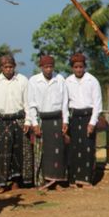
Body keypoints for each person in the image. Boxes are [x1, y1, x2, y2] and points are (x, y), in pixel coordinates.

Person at [0, 55, 33, 193]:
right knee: (3, 152)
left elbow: (28, 102)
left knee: (18, 152)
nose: (8, 69)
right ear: (1, 68)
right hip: (2, 120)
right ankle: (1, 183)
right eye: (5, 67)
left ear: (14, 66)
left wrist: (28, 120)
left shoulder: (22, 80)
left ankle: (15, 182)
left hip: (19, 119)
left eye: (11, 66)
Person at [28, 55, 69, 190]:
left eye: (51, 66)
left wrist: (65, 120)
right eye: (46, 67)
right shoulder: (34, 81)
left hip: (57, 119)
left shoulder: (60, 79)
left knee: (57, 152)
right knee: (42, 152)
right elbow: (31, 104)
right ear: (41, 67)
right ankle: (43, 181)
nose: (48, 69)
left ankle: (57, 182)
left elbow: (64, 102)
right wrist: (34, 123)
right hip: (42, 120)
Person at [65, 53, 102, 188]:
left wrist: (92, 122)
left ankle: (86, 179)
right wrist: (65, 121)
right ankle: (73, 179)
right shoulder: (67, 81)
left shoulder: (92, 81)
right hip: (73, 117)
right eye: (76, 67)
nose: (79, 69)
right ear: (72, 68)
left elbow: (97, 104)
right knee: (73, 148)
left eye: (81, 67)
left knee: (87, 148)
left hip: (88, 117)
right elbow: (64, 103)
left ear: (85, 67)